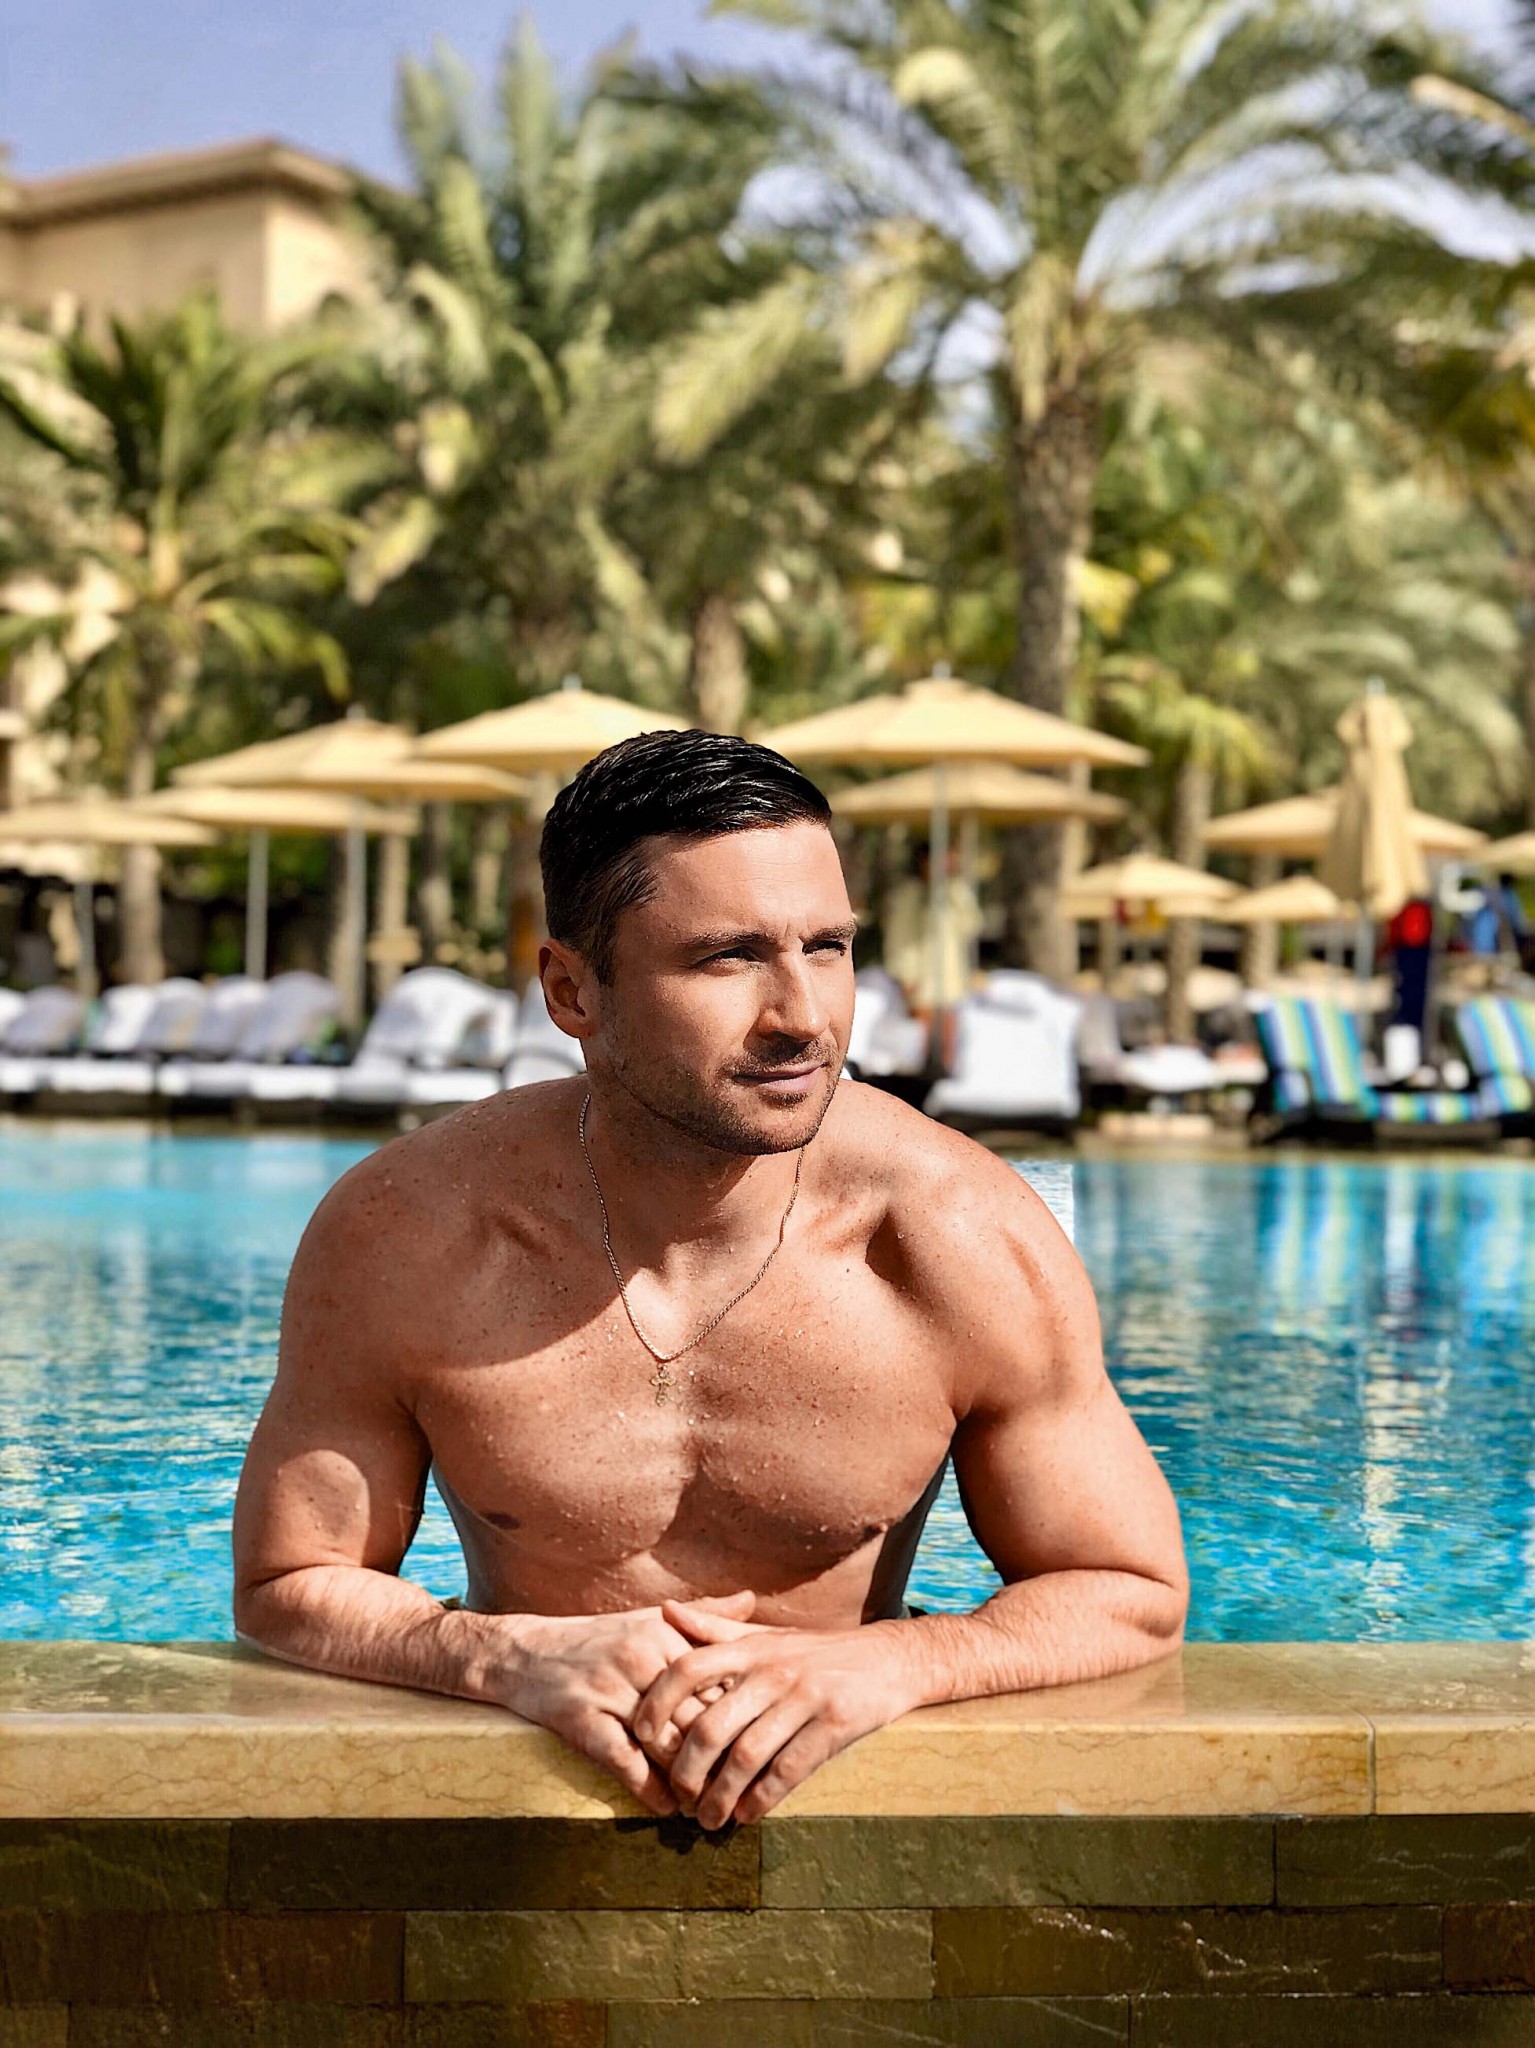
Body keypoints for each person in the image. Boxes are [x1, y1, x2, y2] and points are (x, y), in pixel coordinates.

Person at [233, 731, 1188, 1832]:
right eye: (727, 958)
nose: (803, 1016)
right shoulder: (407, 1234)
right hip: (518, 1806)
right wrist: (503, 1656)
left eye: (827, 947)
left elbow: (1130, 1589)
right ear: (571, 991)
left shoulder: (956, 1233)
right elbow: (286, 1583)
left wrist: (895, 1664)